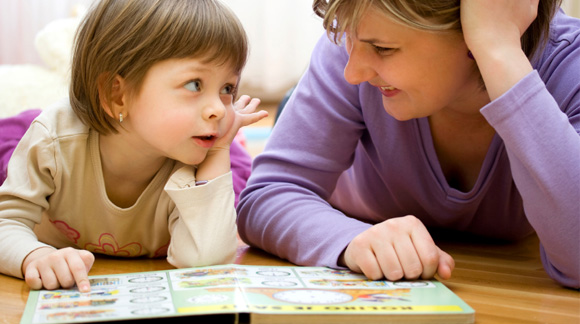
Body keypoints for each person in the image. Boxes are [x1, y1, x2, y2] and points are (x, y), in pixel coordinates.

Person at [237, 0, 579, 289]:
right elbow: (268, 195)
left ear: (474, 35)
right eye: (348, 39)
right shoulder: (347, 56)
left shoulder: (568, 67)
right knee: (301, 108)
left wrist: (501, 50)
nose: (352, 72)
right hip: (338, 181)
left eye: (384, 48)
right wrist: (349, 240)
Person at [0, 0, 268, 293]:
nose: (217, 108)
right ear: (117, 94)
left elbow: (207, 260)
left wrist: (218, 151)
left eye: (227, 89)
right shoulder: (54, 141)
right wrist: (34, 256)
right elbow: (6, 223)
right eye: (194, 84)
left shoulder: (191, 159)